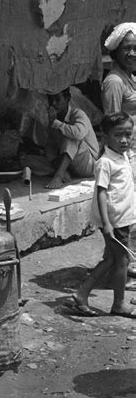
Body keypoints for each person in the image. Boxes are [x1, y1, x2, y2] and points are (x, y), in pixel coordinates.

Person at [71, 112, 136, 319]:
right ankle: (119, 304)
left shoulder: (123, 156)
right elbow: (100, 192)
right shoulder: (105, 162)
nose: (124, 140)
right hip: (115, 221)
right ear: (106, 137)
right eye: (118, 135)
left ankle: (81, 294)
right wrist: (107, 223)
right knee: (122, 261)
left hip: (122, 218)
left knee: (110, 259)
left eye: (128, 134)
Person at [101, 23, 136, 279]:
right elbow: (112, 124)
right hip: (127, 156)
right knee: (122, 216)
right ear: (115, 52)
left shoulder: (130, 77)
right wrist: (120, 161)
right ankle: (117, 266)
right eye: (127, 48)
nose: (133, 53)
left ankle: (124, 264)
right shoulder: (114, 81)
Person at [44, 88, 100, 189]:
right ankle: (63, 171)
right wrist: (55, 163)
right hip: (71, 165)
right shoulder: (54, 119)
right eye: (50, 100)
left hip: (89, 165)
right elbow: (50, 145)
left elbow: (78, 134)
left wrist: (56, 123)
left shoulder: (78, 114)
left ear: (67, 99)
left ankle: (58, 176)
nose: (53, 103)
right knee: (29, 159)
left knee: (72, 136)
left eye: (57, 99)